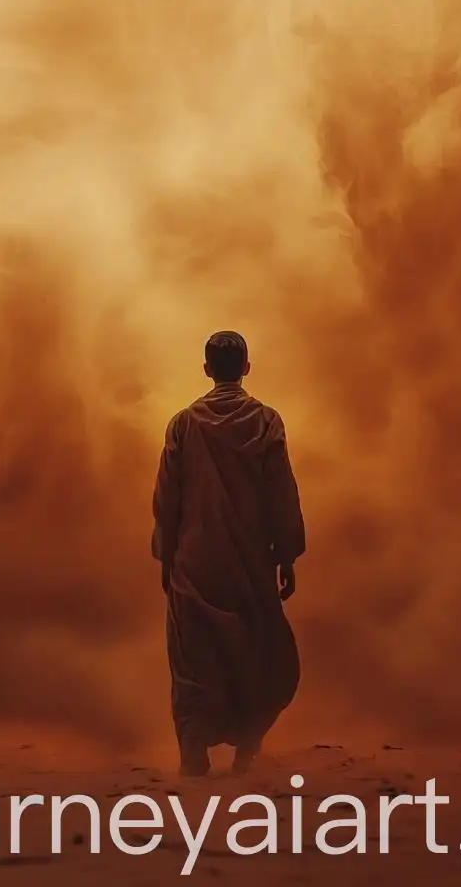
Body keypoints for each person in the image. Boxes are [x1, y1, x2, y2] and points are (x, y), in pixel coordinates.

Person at [151, 330, 305, 777]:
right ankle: (246, 749)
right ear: (246, 368)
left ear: (206, 370)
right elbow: (282, 493)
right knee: (255, 653)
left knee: (192, 655)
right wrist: (287, 556)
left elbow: (168, 497)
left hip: (194, 561)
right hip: (249, 562)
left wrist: (166, 556)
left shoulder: (183, 424)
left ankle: (192, 750)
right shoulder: (265, 421)